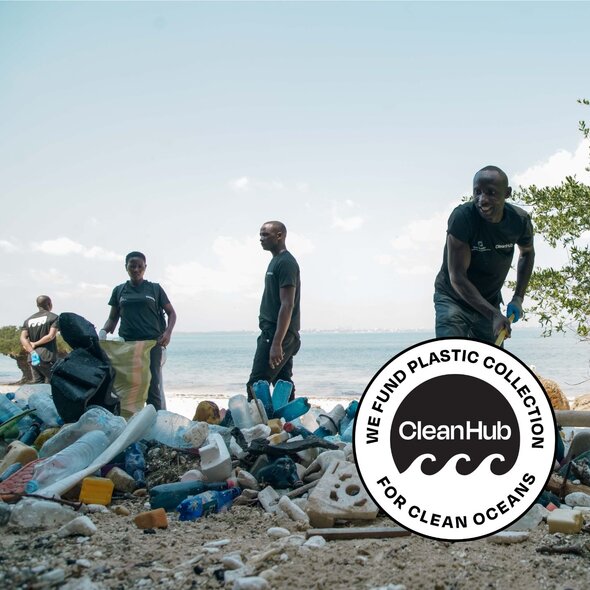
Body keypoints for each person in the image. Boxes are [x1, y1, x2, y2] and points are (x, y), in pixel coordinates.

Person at [434, 165, 535, 344]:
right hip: (453, 298)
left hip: (488, 300)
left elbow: (527, 253)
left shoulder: (519, 221)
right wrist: (494, 314)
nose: (482, 200)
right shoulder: (462, 218)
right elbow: (457, 277)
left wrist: (518, 298)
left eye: (491, 193)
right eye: (477, 192)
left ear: (507, 193)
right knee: (451, 356)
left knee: (490, 363)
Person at [100, 251, 177, 410]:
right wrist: (103, 331)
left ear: (145, 267)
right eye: (132, 266)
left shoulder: (154, 289)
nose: (136, 269)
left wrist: (168, 333)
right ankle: (129, 419)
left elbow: (172, 313)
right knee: (127, 384)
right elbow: (113, 319)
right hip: (127, 346)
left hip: (151, 344)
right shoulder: (119, 290)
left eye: (140, 266)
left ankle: (155, 421)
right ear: (126, 267)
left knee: (151, 385)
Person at [247, 221, 301, 400]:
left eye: (265, 235)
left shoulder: (286, 262)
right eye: (260, 235)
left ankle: (256, 428)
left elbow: (288, 304)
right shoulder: (276, 261)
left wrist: (277, 343)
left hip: (277, 333)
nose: (261, 239)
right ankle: (288, 425)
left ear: (279, 236)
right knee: (282, 384)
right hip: (278, 332)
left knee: (256, 385)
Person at [20, 295, 60, 383]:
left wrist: (31, 350)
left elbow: (23, 338)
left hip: (33, 358)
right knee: (52, 384)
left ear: (37, 305)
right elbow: (51, 336)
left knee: (38, 385)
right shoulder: (54, 317)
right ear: (49, 304)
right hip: (47, 357)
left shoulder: (28, 320)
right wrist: (36, 343)